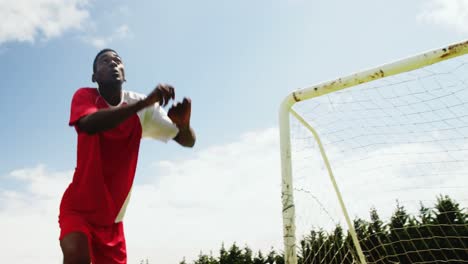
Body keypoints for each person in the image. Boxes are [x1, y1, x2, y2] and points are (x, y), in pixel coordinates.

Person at [58, 48, 196, 264]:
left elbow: (188, 141)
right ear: (94, 77)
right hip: (78, 208)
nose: (113, 63)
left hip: (112, 220)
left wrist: (183, 126)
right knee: (76, 253)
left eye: (117, 60)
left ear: (124, 74)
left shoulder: (144, 108)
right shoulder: (85, 96)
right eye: (104, 61)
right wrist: (144, 104)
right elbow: (90, 125)